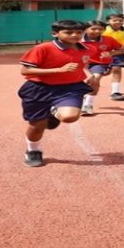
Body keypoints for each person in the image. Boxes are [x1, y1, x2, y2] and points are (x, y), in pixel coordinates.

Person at [17, 19, 96, 167]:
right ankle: (32, 150)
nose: (74, 35)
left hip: (69, 88)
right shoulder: (42, 48)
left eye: (79, 32)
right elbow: (25, 70)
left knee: (70, 117)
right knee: (37, 126)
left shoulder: (87, 49)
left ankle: (54, 111)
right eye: (69, 32)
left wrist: (90, 74)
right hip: (39, 89)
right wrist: (58, 70)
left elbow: (80, 64)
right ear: (55, 33)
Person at [80, 20, 124, 115]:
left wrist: (110, 53)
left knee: (95, 79)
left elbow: (122, 50)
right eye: (93, 29)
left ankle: (88, 105)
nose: (97, 31)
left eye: (100, 29)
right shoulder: (77, 40)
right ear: (85, 29)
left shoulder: (109, 39)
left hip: (99, 64)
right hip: (80, 64)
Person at [104, 13, 124, 101]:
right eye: (114, 20)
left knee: (117, 69)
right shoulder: (103, 29)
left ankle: (115, 92)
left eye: (121, 20)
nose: (118, 22)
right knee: (103, 73)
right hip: (103, 53)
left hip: (119, 52)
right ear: (108, 21)